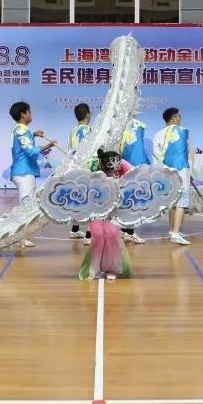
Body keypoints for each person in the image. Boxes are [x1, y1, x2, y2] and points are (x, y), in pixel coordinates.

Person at [79, 150, 133, 281]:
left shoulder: (121, 176)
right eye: (111, 164)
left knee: (112, 235)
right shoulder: (93, 173)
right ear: (102, 164)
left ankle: (112, 268)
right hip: (97, 211)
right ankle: (94, 268)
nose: (114, 167)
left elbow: (133, 174)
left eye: (117, 164)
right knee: (98, 236)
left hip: (114, 212)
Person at [9, 102, 55, 250]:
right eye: (29, 112)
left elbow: (24, 143)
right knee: (26, 205)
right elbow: (31, 151)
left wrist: (34, 134)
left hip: (22, 171)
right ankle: (20, 238)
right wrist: (48, 145)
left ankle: (22, 236)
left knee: (26, 204)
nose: (30, 114)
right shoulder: (22, 130)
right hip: (24, 172)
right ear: (23, 114)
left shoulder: (19, 129)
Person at [152, 107, 193, 245]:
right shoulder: (183, 131)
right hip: (181, 168)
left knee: (172, 200)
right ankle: (175, 233)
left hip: (167, 171)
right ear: (173, 118)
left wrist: (163, 168)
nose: (180, 118)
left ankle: (172, 230)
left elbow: (156, 154)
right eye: (178, 116)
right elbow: (186, 152)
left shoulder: (158, 134)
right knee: (182, 199)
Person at [118, 117, 150, 244]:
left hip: (124, 165)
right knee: (131, 200)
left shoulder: (120, 125)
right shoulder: (137, 126)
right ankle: (129, 232)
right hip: (132, 166)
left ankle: (125, 230)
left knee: (126, 200)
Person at [69, 103, 93, 243]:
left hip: (75, 168)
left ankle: (75, 229)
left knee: (78, 199)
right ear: (88, 114)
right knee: (91, 200)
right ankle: (89, 235)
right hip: (86, 168)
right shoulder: (88, 130)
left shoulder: (73, 131)